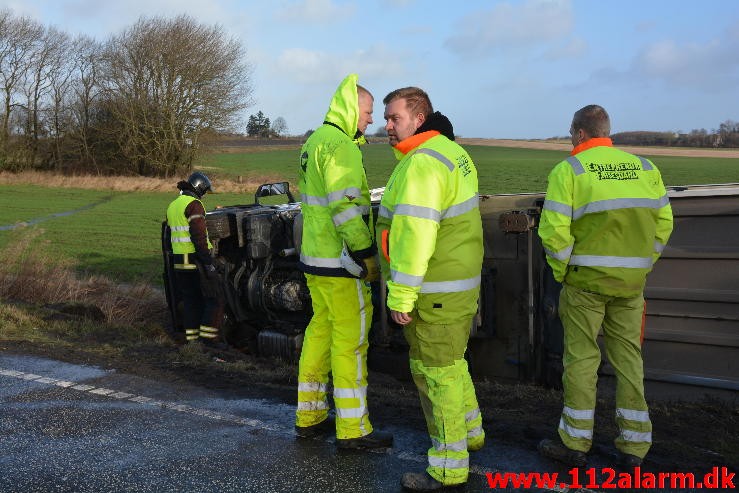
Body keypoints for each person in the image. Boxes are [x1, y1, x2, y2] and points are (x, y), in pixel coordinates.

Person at [537, 105, 673, 468]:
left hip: (585, 283)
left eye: (570, 132)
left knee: (581, 360)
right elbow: (664, 225)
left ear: (580, 133)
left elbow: (553, 232)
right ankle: (634, 448)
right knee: (630, 361)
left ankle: (575, 443)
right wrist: (642, 265)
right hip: (631, 285)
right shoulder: (646, 168)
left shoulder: (570, 170)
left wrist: (563, 271)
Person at [377, 87, 484, 491]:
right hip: (456, 285)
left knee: (433, 375)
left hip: (432, 289)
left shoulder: (422, 164)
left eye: (394, 118)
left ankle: (447, 468)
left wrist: (401, 297)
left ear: (419, 118)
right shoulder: (453, 153)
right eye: (386, 118)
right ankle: (471, 434)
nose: (386, 126)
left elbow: (415, 237)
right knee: (453, 364)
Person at [294, 73, 393, 450]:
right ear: (353, 108)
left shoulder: (314, 141)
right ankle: (353, 430)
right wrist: (367, 254)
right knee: (350, 342)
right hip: (341, 264)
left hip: (314, 261)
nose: (370, 120)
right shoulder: (342, 146)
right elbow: (347, 208)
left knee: (319, 333)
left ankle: (310, 416)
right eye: (367, 112)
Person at [166, 171, 225, 347]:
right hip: (195, 260)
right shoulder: (194, 205)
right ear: (199, 188)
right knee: (215, 298)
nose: (204, 195)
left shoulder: (173, 205)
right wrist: (208, 262)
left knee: (191, 301)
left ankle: (192, 341)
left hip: (179, 261)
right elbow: (199, 236)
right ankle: (209, 340)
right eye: (204, 191)